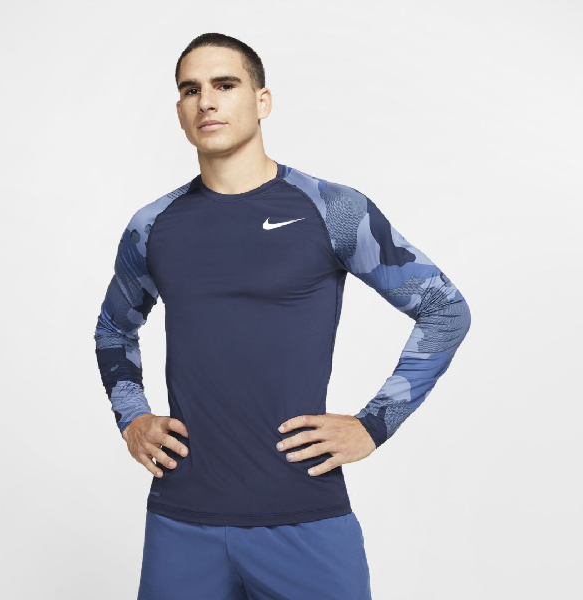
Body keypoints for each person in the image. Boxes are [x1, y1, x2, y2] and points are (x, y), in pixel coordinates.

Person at [93, 32, 471, 600]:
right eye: (191, 90)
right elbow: (113, 329)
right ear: (179, 111)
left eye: (225, 84)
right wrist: (132, 416)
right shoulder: (153, 226)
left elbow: (444, 309)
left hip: (305, 517)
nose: (207, 101)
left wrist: (374, 423)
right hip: (182, 520)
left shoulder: (332, 209)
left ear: (262, 100)